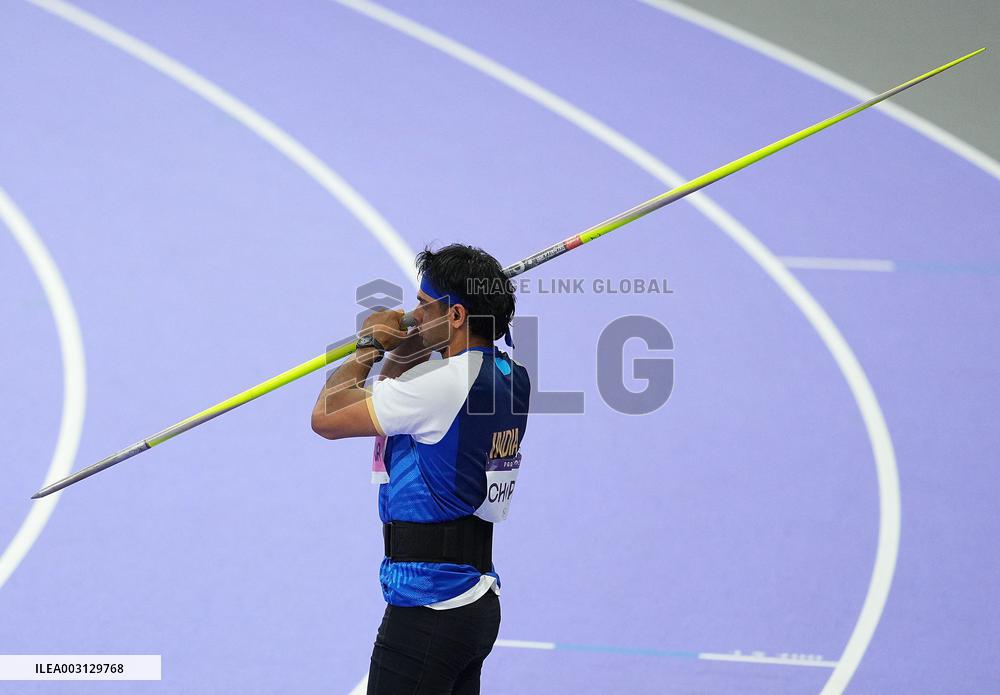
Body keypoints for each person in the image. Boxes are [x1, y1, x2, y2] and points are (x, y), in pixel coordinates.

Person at [311, 243, 530, 695]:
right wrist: (411, 342)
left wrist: (368, 344)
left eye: (423, 305)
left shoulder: (443, 385)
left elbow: (327, 416)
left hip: (429, 609)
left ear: (455, 316)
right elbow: (397, 399)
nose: (412, 313)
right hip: (472, 604)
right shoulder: (511, 375)